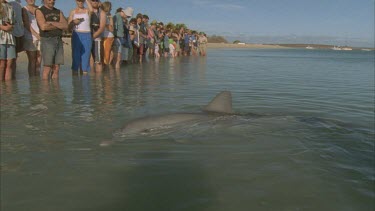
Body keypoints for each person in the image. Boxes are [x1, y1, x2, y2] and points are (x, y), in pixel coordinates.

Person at [35, 0, 68, 79]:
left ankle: (55, 90)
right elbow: (43, 27)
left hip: (58, 40)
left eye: (53, 0)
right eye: (49, 0)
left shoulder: (58, 11)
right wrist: (59, 25)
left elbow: (66, 26)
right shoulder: (40, 11)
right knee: (47, 67)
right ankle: (46, 90)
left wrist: (51, 23)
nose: (52, 1)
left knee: (56, 68)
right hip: (47, 40)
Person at [68, 0, 93, 75]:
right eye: (79, 1)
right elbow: (69, 26)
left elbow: (92, 10)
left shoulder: (87, 10)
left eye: (82, 1)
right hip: (76, 35)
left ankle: (85, 81)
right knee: (76, 57)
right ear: (76, 1)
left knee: (86, 57)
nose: (80, 2)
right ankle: (75, 82)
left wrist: (86, 0)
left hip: (87, 35)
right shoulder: (73, 11)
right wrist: (73, 22)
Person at [22, 0, 41, 77]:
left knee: (39, 60)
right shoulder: (24, 9)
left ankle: (37, 79)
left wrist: (41, 34)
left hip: (41, 37)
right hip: (29, 37)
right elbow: (26, 23)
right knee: (32, 60)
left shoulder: (40, 8)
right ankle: (32, 81)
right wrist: (36, 35)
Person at [0, 0, 16, 81]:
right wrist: (3, 27)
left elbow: (14, 22)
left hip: (10, 38)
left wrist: (11, 27)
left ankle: (8, 90)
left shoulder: (10, 6)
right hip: (0, 38)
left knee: (10, 63)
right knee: (1, 64)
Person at [8, 0, 23, 78]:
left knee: (13, 59)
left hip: (17, 33)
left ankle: (12, 80)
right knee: (6, 61)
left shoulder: (18, 4)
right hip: (7, 34)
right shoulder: (7, 3)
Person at [89, 0, 105, 72]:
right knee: (89, 60)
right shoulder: (87, 11)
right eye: (93, 0)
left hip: (96, 39)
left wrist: (91, 37)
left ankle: (98, 82)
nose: (94, 2)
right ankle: (92, 79)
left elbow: (101, 28)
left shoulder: (102, 13)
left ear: (99, 2)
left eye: (96, 1)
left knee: (98, 61)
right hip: (86, 38)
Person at [100, 1, 113, 67]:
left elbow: (111, 28)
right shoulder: (105, 16)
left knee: (105, 54)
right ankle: (105, 70)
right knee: (106, 55)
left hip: (106, 36)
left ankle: (104, 71)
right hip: (107, 36)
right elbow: (111, 29)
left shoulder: (103, 15)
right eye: (110, 8)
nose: (111, 9)